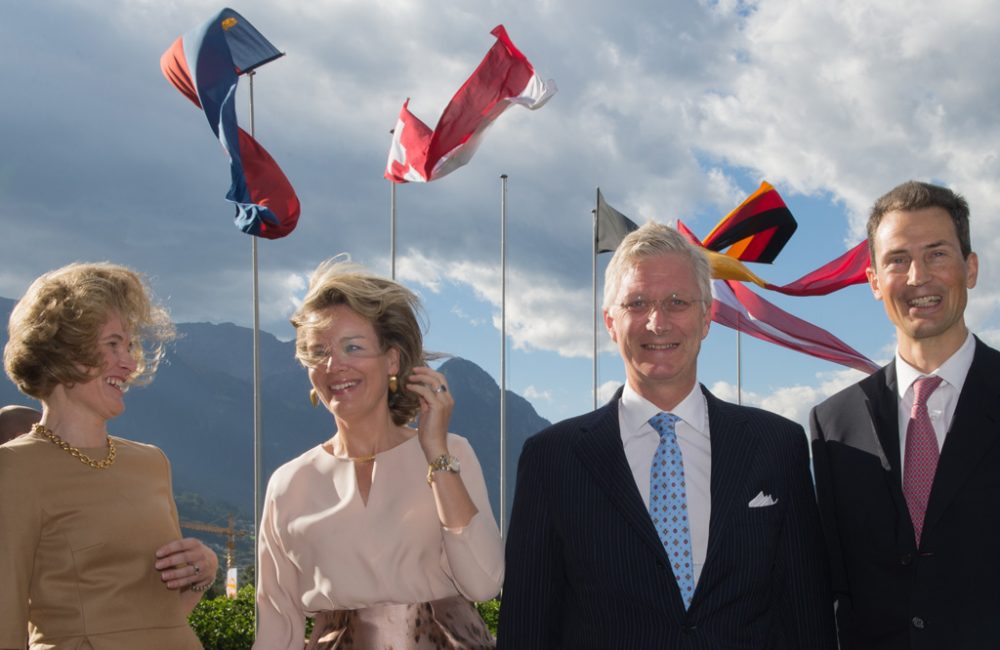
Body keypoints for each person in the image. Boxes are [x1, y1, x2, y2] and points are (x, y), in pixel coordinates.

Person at [498, 221, 836, 649]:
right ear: (610, 322)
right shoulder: (552, 458)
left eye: (677, 302)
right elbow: (527, 626)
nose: (657, 322)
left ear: (707, 315)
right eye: (637, 303)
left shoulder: (777, 446)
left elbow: (806, 616)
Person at [254, 258, 503, 650]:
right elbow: (276, 624)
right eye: (319, 351)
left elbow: (484, 582)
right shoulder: (289, 483)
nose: (334, 365)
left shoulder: (452, 452)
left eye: (353, 346)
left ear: (392, 359)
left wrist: (435, 452)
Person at [810, 181, 997, 649]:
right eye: (897, 259)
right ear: (874, 281)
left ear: (970, 268)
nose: (917, 277)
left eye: (936, 254)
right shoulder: (833, 424)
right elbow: (835, 590)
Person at [0, 262, 218, 650]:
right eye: (113, 343)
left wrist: (203, 573)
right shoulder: (14, 468)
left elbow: (160, 616)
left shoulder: (152, 463)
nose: (130, 362)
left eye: (130, 345)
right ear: (65, 349)